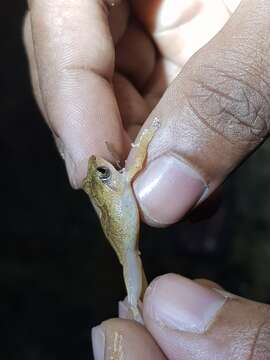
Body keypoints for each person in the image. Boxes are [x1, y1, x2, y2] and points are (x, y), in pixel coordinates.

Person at [23, 0, 270, 358]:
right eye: (103, 174)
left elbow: (134, 160)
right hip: (125, 240)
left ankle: (136, 305)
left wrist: (151, 134)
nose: (107, 171)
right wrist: (146, 140)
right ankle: (135, 306)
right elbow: (135, 161)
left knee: (131, 266)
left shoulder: (117, 185)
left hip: (127, 231)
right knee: (130, 262)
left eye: (103, 172)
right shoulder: (118, 186)